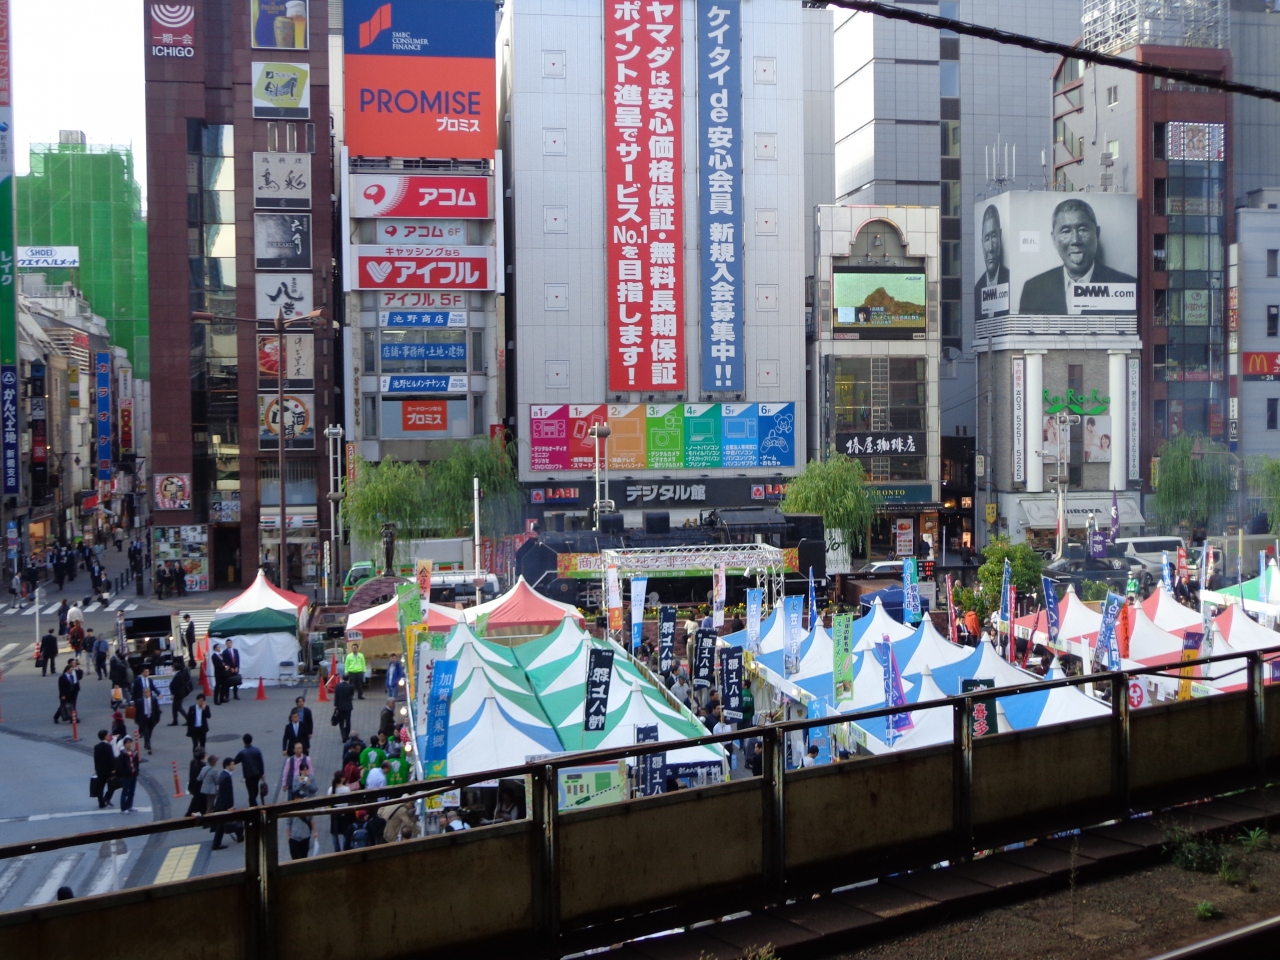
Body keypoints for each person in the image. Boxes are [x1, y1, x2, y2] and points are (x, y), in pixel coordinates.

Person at [1018, 198, 1137, 315]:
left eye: (1082, 230)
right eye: (1066, 231)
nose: (1075, 240)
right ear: (1053, 238)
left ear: (1097, 233)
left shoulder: (1126, 285)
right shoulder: (1033, 289)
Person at [975, 203, 1011, 319]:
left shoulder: (1010, 279)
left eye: (994, 236)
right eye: (987, 238)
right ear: (981, 243)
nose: (990, 248)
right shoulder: (977, 289)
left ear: (1000, 236)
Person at [210, 758, 243, 850]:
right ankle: (216, 844)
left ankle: (217, 843)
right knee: (225, 823)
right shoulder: (226, 777)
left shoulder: (223, 775)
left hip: (221, 804)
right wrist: (229, 806)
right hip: (224, 805)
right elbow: (227, 793)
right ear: (227, 766)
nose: (234, 766)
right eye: (232, 764)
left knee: (222, 824)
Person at [235, 734, 266, 807]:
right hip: (256, 774)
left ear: (244, 742)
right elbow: (261, 762)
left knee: (250, 791)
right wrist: (262, 773)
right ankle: (252, 802)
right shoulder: (257, 750)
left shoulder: (242, 753)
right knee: (255, 789)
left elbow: (235, 761)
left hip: (248, 775)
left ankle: (253, 805)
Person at [328, 772, 353, 853]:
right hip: (344, 812)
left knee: (334, 833)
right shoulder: (346, 789)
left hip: (334, 813)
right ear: (341, 778)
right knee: (345, 832)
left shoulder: (331, 789)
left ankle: (337, 851)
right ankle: (345, 849)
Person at [134, 682, 161, 754]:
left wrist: (158, 719)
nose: (146, 694)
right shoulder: (140, 701)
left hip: (152, 718)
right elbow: (137, 711)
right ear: (143, 693)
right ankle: (148, 745)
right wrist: (136, 720)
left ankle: (147, 742)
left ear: (150, 693)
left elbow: (157, 710)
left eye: (148, 692)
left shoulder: (153, 700)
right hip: (143, 718)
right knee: (146, 731)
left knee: (150, 732)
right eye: (145, 692)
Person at [93, 730, 117, 809]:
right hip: (108, 770)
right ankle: (106, 798)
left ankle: (101, 802)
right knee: (112, 786)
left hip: (100, 770)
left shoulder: (96, 747)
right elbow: (111, 759)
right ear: (105, 736)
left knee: (100, 787)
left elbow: (96, 759)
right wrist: (113, 769)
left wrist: (96, 768)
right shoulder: (108, 747)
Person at [116, 737, 140, 814]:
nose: (129, 744)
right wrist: (124, 773)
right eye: (127, 743)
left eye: (130, 742)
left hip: (133, 774)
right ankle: (123, 808)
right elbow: (119, 766)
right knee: (125, 791)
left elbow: (136, 763)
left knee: (132, 791)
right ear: (124, 744)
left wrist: (136, 770)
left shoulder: (134, 753)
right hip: (126, 775)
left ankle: (129, 806)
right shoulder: (122, 755)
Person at [168, 659, 193, 726]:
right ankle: (175, 720)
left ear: (175, 668)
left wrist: (173, 694)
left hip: (178, 694)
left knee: (178, 707)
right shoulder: (179, 674)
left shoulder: (178, 676)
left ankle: (188, 719)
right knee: (174, 708)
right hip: (179, 693)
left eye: (173, 667)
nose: (172, 668)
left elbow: (175, 686)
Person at [185, 749, 208, 816]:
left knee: (195, 801)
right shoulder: (203, 766)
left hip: (194, 787)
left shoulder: (194, 763)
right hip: (200, 788)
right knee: (201, 803)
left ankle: (190, 814)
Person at [333, 676, 354, 742]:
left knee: (341, 722)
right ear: (348, 679)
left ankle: (343, 736)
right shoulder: (351, 686)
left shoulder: (338, 686)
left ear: (342, 679)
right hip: (348, 707)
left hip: (340, 707)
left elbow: (336, 696)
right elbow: (351, 695)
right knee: (348, 721)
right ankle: (347, 735)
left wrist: (335, 705)